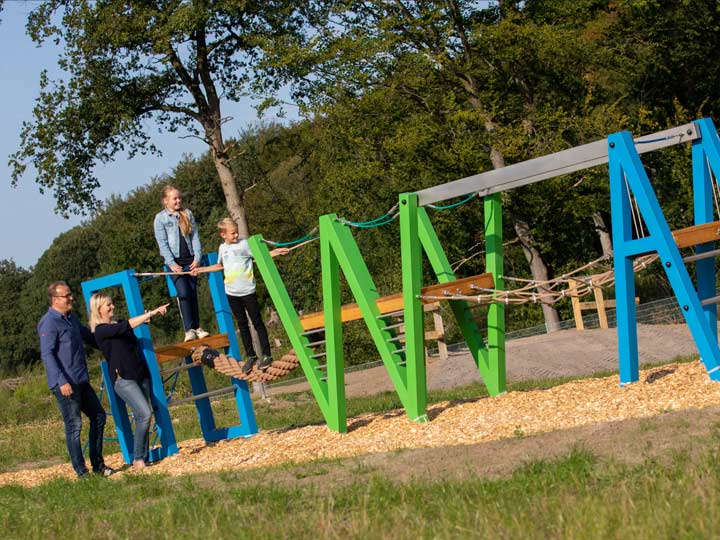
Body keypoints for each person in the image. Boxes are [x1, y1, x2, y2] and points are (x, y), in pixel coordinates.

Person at [38, 281, 115, 478]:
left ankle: (98, 466)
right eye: (67, 295)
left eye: (71, 294)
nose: (71, 298)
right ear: (55, 300)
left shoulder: (71, 318)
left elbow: (89, 337)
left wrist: (114, 340)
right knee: (74, 427)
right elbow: (47, 354)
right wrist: (61, 381)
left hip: (80, 379)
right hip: (65, 383)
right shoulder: (49, 322)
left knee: (98, 416)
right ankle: (81, 472)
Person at [89, 293, 169, 469]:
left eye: (112, 304)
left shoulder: (118, 325)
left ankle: (144, 456)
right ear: (98, 308)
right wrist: (150, 314)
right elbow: (126, 326)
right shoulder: (101, 330)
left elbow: (127, 328)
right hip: (123, 378)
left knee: (143, 417)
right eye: (108, 305)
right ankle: (138, 458)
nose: (113, 307)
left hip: (140, 374)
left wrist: (145, 319)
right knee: (145, 413)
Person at [205, 218, 288, 374]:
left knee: (257, 322)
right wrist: (202, 270)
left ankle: (266, 354)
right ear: (223, 235)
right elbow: (219, 266)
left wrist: (276, 252)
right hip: (232, 293)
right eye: (232, 233)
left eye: (237, 232)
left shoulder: (244, 244)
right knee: (242, 325)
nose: (236, 235)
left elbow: (260, 256)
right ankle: (251, 355)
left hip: (248, 291)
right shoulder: (222, 248)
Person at [153, 185, 210, 342]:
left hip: (190, 260)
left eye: (179, 198)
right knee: (183, 293)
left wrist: (197, 258)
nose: (178, 200)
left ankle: (197, 327)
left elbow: (195, 237)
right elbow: (162, 243)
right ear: (166, 201)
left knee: (192, 293)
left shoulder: (187, 214)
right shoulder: (160, 219)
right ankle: (188, 329)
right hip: (175, 264)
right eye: (175, 198)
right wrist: (171, 263)